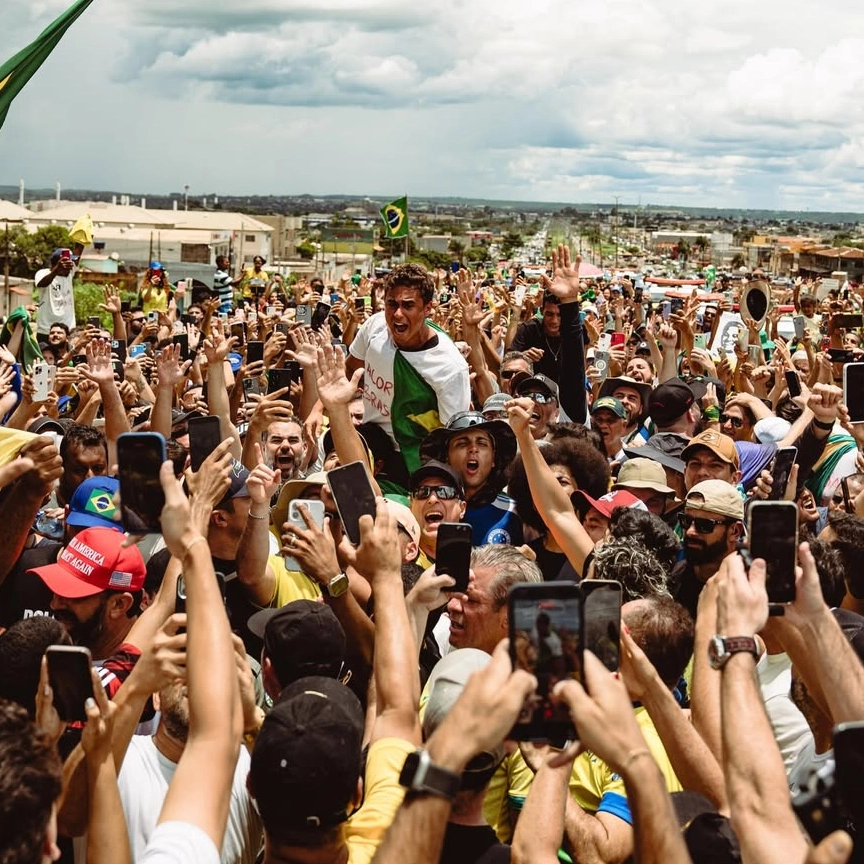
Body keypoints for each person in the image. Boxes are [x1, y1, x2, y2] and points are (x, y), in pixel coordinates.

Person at [347, 263, 470, 476]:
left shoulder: (449, 368)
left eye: (408, 305)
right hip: (368, 445)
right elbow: (351, 368)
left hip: (413, 462)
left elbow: (452, 438)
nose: (397, 314)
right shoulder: (375, 327)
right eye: (391, 304)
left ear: (428, 308)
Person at [420, 411, 521, 546]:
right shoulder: (426, 507)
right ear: (446, 459)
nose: (473, 449)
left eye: (482, 443)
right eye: (462, 443)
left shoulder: (515, 513)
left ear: (493, 459)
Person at [672, 479, 744, 617]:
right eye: (686, 521)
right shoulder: (674, 575)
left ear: (735, 531)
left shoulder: (751, 584)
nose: (690, 532)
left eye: (704, 525)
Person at [511, 293, 562, 383]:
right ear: (542, 311)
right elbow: (508, 360)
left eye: (560, 315)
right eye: (549, 314)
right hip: (534, 388)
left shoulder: (574, 332)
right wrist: (523, 356)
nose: (554, 321)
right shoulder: (529, 329)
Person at [34, 246, 83, 338]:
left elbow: (79, 250)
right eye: (67, 262)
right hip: (47, 331)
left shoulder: (69, 274)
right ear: (58, 263)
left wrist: (86, 233)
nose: (71, 265)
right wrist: (56, 270)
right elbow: (42, 284)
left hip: (68, 331)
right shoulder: (43, 273)